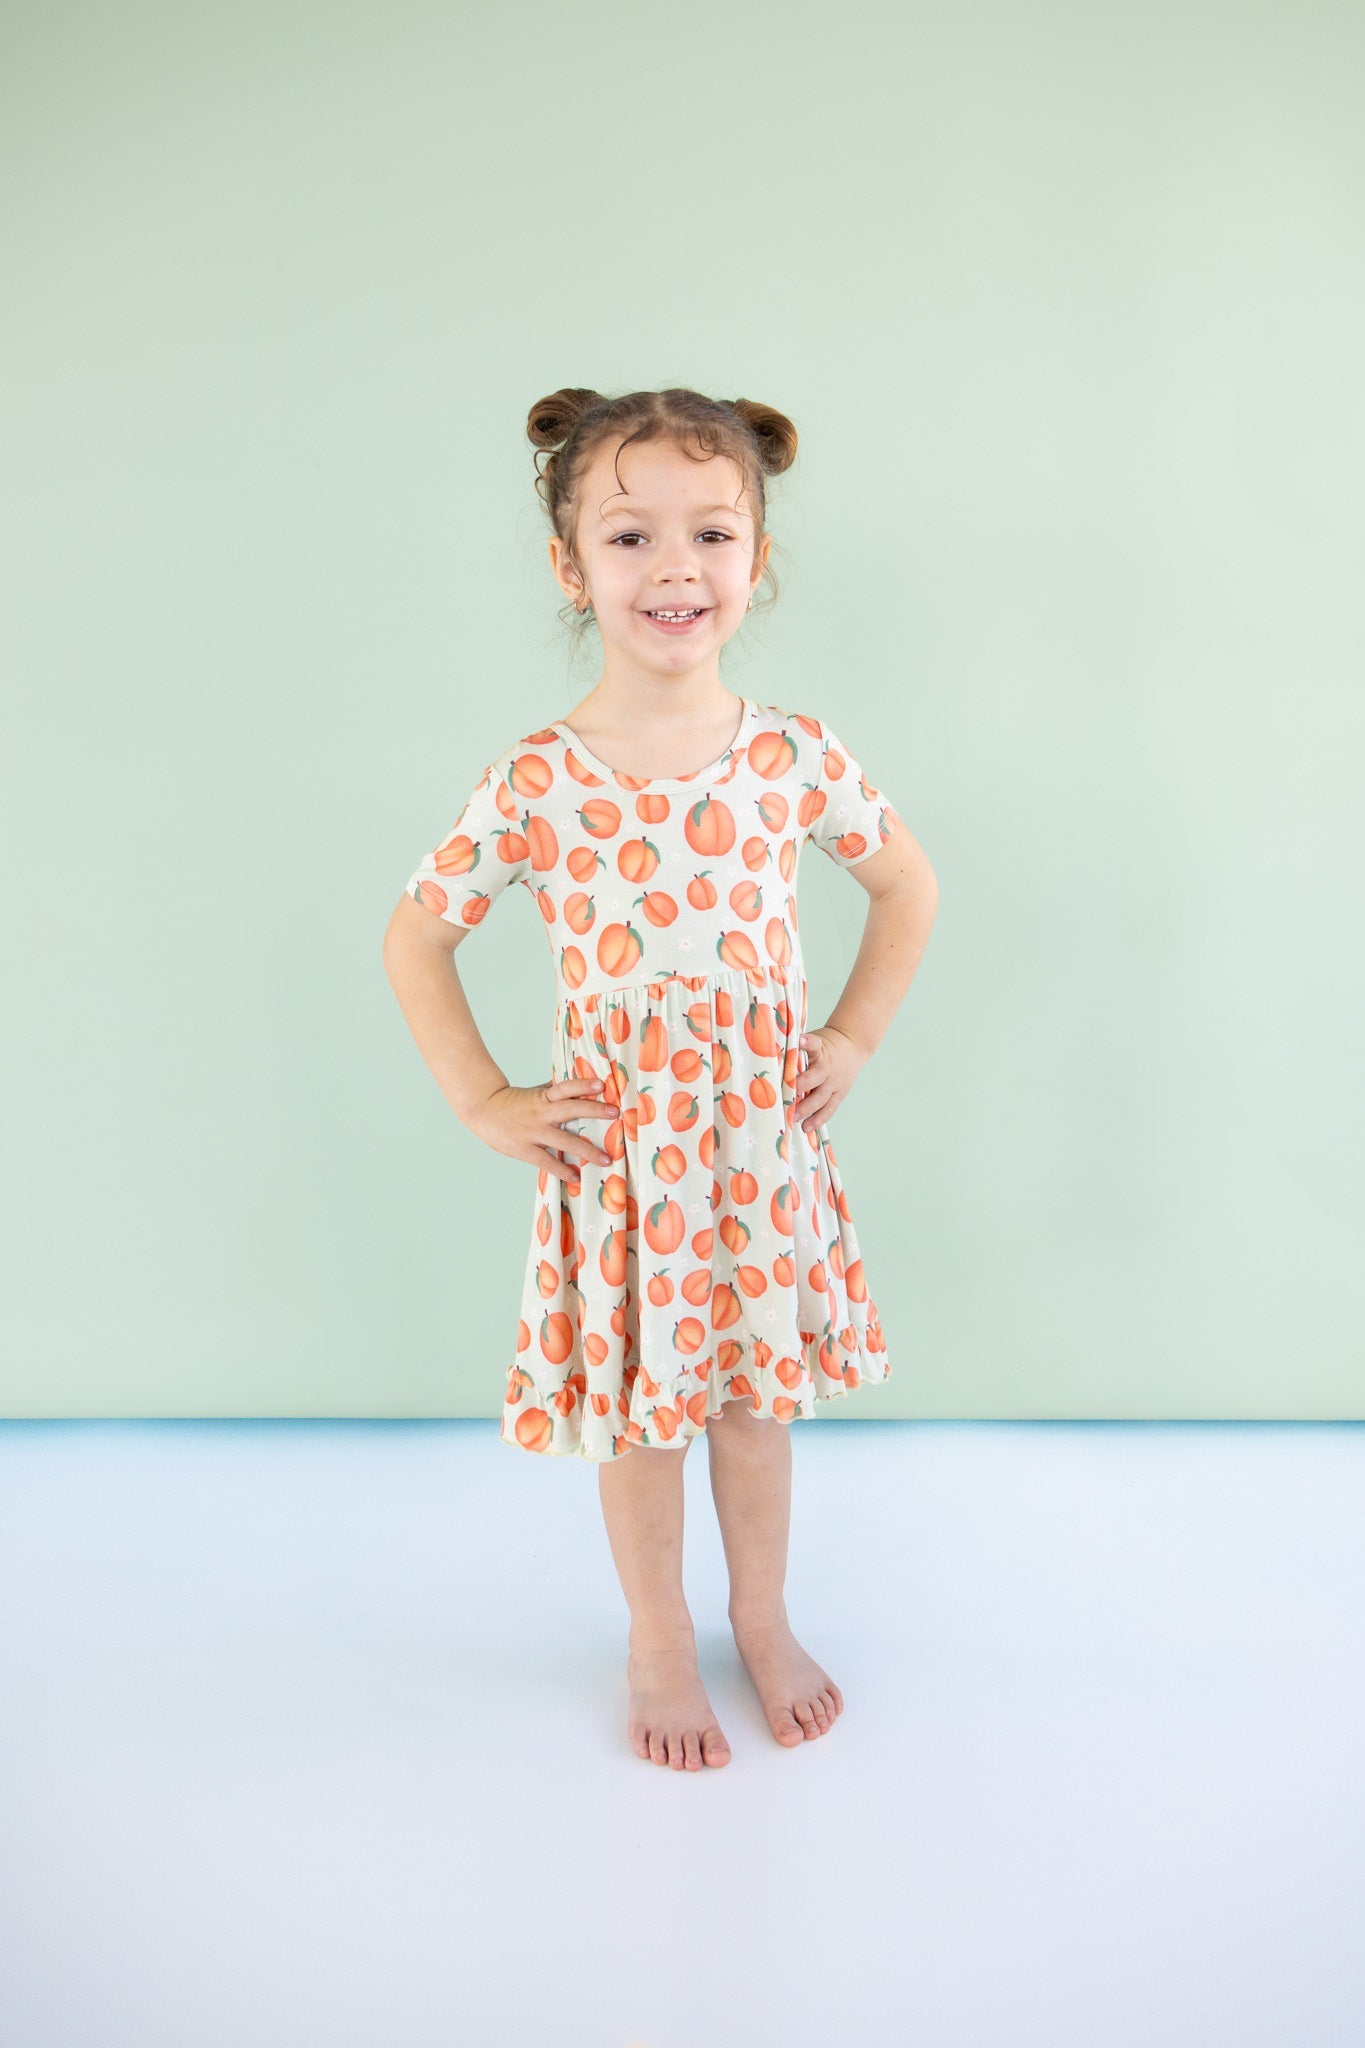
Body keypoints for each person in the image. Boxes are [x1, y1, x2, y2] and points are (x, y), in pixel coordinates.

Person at [383, 386, 939, 1772]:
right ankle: (655, 1637)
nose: (674, 567)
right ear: (571, 566)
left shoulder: (792, 755)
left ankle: (761, 1614)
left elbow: (905, 885)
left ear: (756, 558)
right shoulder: (537, 780)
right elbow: (416, 937)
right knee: (643, 1424)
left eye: (711, 533)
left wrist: (852, 1037)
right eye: (629, 536)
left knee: (752, 1411)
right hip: (626, 1164)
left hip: (754, 1152)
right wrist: (484, 1099)